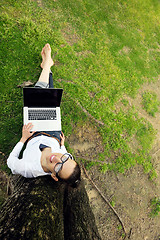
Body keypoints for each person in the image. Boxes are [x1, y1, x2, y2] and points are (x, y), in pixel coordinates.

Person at [7, 43, 81, 188]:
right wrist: (62, 146)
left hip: (33, 134)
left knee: (39, 94)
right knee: (49, 100)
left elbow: (10, 162)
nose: (57, 159)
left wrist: (23, 139)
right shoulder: (65, 157)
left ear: (54, 176)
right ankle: (47, 66)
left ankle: (47, 65)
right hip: (53, 132)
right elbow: (65, 155)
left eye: (59, 168)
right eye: (66, 159)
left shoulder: (28, 168)